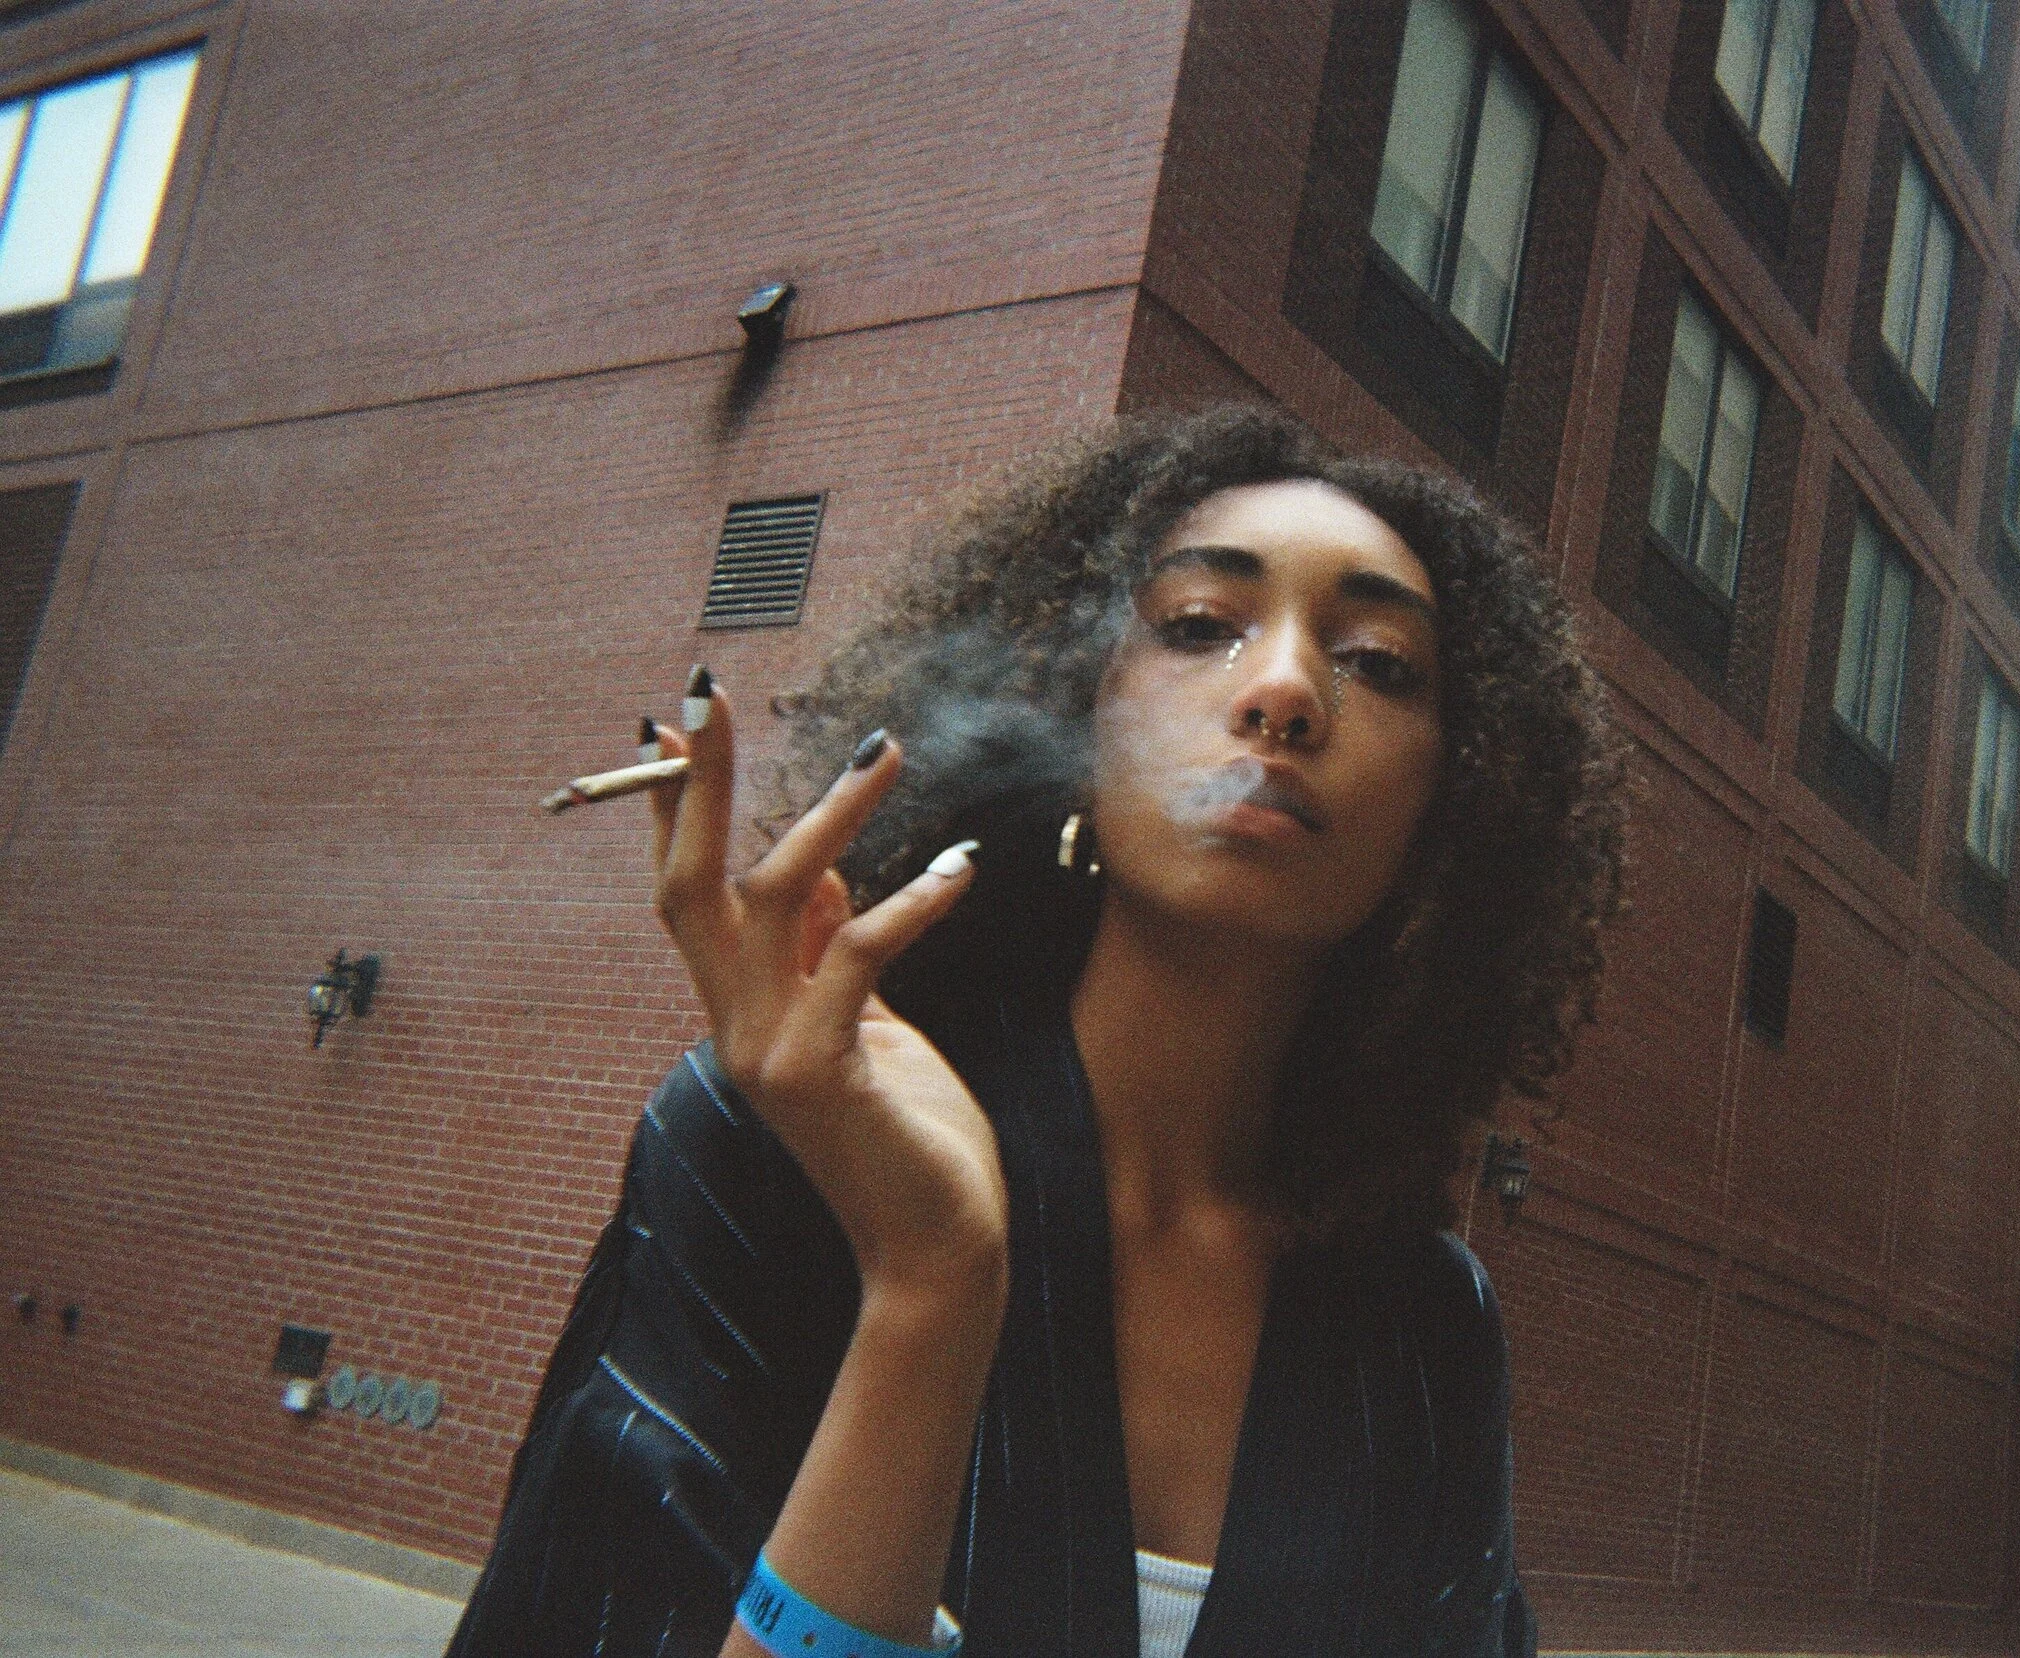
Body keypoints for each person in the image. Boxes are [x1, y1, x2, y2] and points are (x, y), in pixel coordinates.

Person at [444, 405, 1625, 1658]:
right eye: (1197, 628)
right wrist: (930, 1287)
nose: (1282, 688)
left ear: (1457, 800)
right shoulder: (790, 1138)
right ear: (1081, 709)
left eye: (1379, 661)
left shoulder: (1425, 1324)